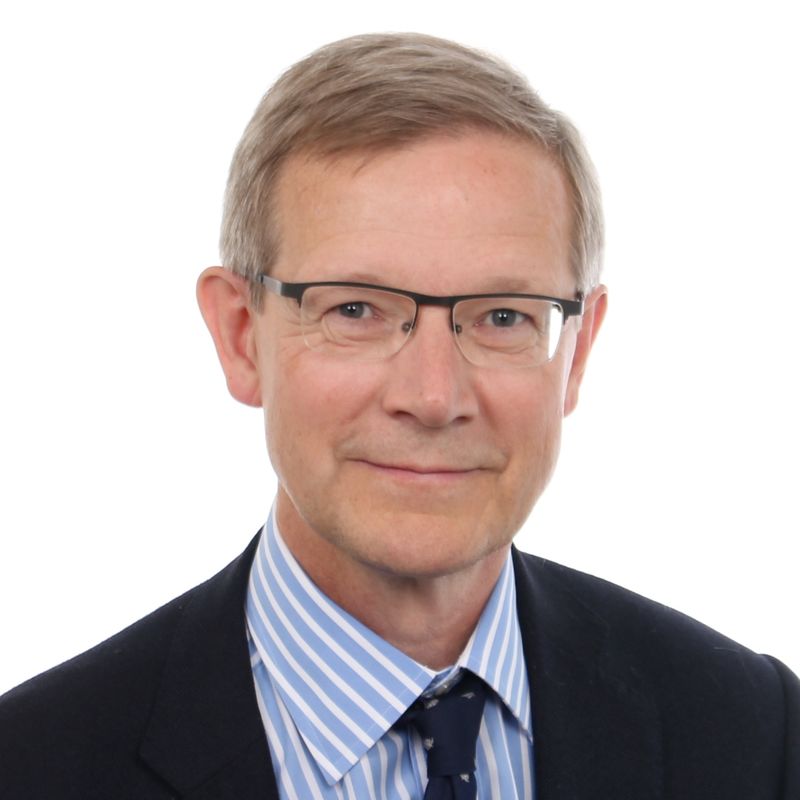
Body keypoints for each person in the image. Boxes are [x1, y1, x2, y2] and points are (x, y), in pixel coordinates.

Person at [0, 31, 797, 800]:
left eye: (503, 316)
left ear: (577, 353)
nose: (433, 397)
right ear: (242, 336)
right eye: (355, 310)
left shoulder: (753, 735)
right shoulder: (32, 765)